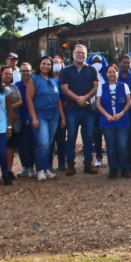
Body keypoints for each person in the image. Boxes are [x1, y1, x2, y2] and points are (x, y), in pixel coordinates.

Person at [60, 45, 99, 175]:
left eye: (83, 53)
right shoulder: (66, 71)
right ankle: (70, 164)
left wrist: (85, 98)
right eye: (78, 52)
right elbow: (64, 88)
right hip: (72, 109)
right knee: (71, 137)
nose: (80, 55)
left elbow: (95, 87)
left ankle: (88, 163)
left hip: (88, 109)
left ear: (86, 55)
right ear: (73, 54)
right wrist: (78, 99)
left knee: (88, 137)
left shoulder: (92, 69)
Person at [27, 56, 66, 181]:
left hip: (53, 114)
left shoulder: (54, 80)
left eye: (48, 64)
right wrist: (34, 118)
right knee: (42, 142)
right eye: (44, 63)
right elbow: (29, 99)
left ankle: (46, 168)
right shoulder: (34, 80)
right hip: (40, 114)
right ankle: (40, 169)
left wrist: (62, 117)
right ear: (39, 65)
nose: (46, 66)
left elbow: (58, 100)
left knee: (49, 143)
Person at [96, 63, 131, 179]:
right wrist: (107, 115)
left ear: (118, 73)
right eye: (109, 72)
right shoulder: (101, 87)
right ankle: (113, 168)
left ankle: (124, 168)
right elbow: (98, 104)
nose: (112, 74)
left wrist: (121, 114)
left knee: (122, 145)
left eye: (114, 71)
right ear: (106, 74)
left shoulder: (124, 86)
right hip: (107, 122)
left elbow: (129, 102)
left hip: (122, 121)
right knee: (110, 146)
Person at [12, 63, 33, 179]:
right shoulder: (16, 86)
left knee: (29, 144)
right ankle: (24, 166)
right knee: (21, 145)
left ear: (31, 72)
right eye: (23, 71)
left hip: (32, 118)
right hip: (19, 119)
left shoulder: (34, 84)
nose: (25, 73)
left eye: (27, 71)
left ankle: (31, 167)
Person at [88, 55, 107, 167]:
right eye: (94, 61)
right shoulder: (88, 76)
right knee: (96, 133)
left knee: (109, 134)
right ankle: (98, 156)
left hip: (106, 109)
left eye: (99, 61)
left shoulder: (106, 75)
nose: (97, 63)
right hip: (92, 109)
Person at [50, 56, 67, 171]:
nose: (56, 65)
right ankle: (48, 163)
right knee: (50, 139)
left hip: (64, 111)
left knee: (61, 139)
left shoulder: (65, 77)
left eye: (58, 62)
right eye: (54, 63)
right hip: (49, 111)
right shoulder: (48, 79)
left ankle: (62, 162)